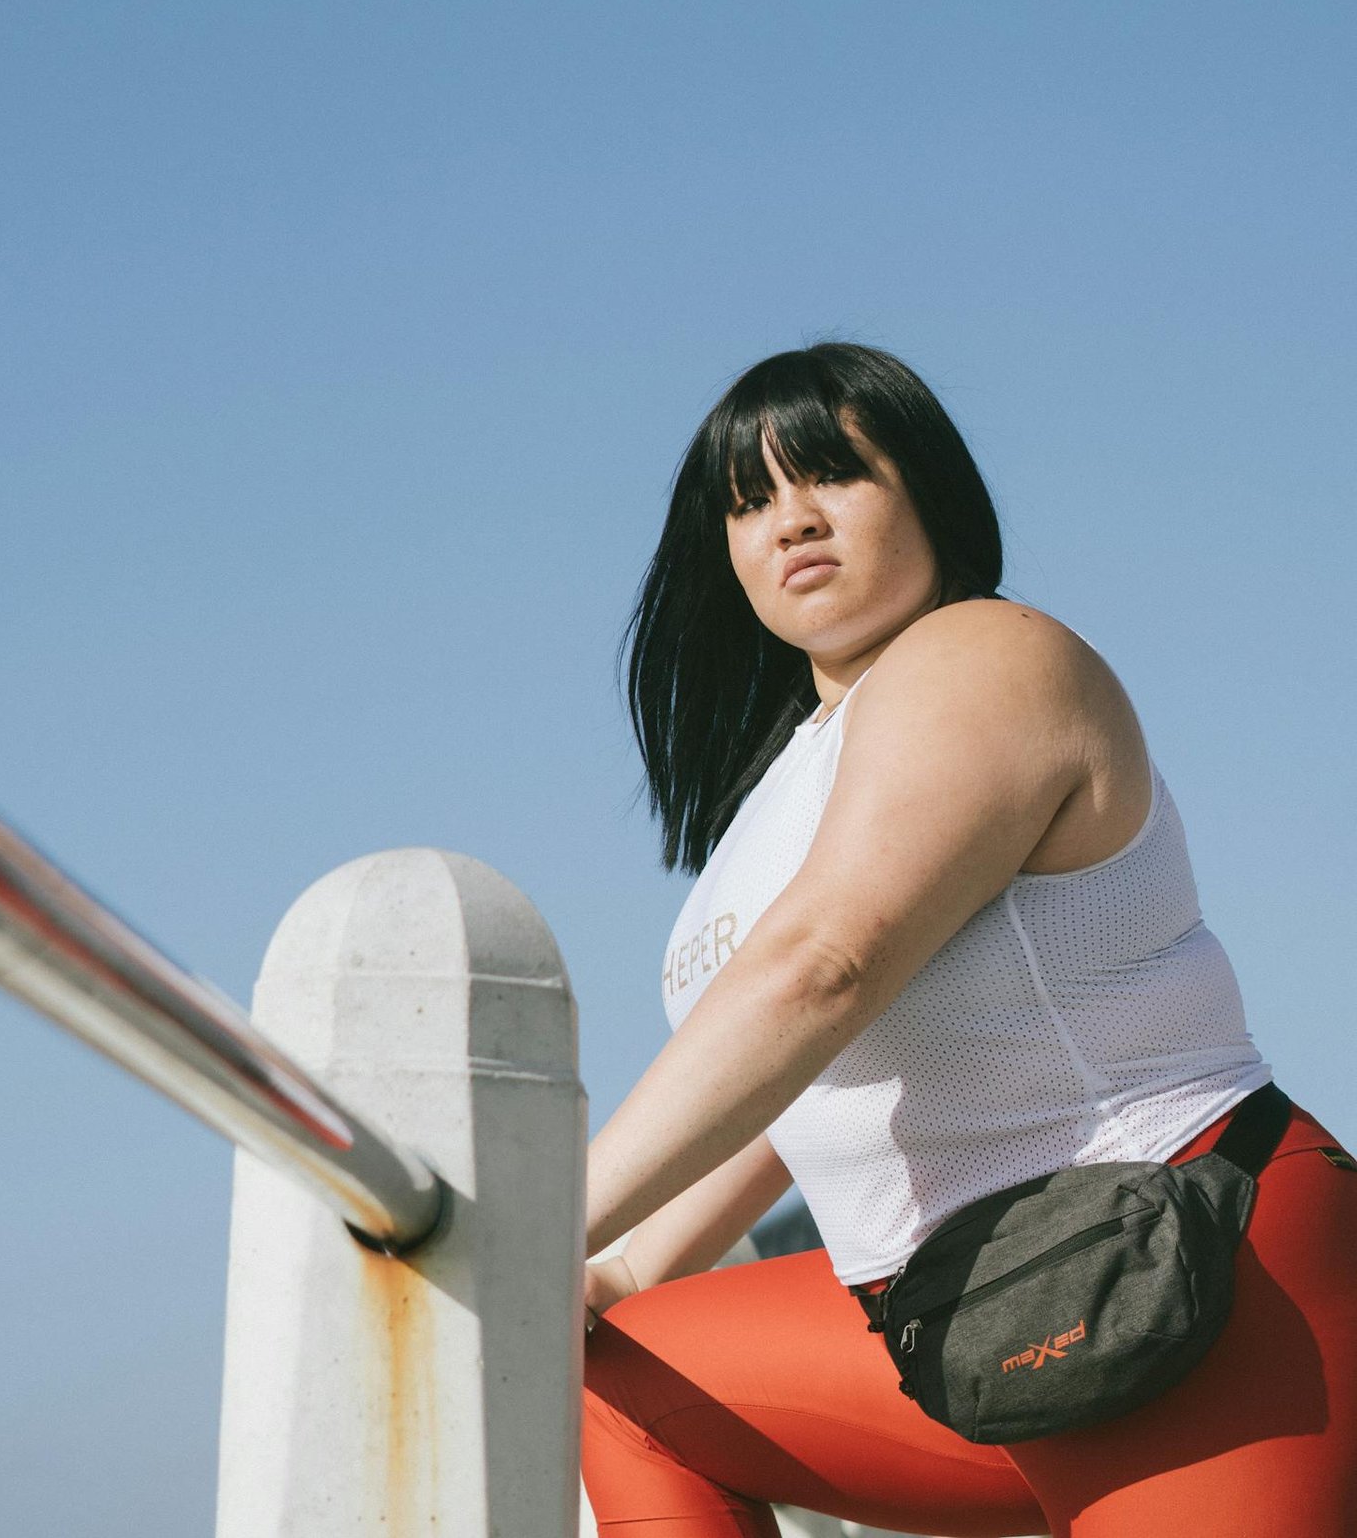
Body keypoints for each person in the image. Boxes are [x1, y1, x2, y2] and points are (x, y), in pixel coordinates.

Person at [581, 343, 1357, 1536]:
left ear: (930, 492)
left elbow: (824, 970)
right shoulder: (780, 788)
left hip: (1176, 1258)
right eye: (748, 501)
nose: (789, 521)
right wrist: (625, 1266)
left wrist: (545, 1217)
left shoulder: (984, 656)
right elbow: (816, 1078)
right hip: (964, 1311)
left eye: (834, 475)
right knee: (616, 1375)